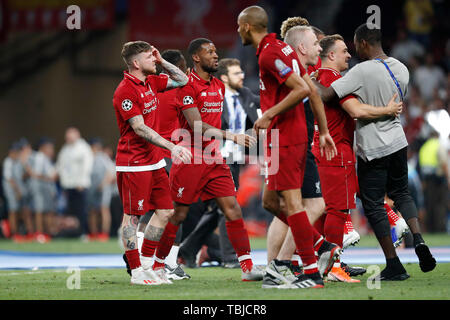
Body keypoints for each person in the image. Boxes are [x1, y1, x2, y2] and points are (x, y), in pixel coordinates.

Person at [317, 23, 436, 280]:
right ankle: (418, 238)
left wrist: (306, 78)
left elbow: (329, 96)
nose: (351, 52)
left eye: (353, 46)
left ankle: (393, 264)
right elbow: (396, 100)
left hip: (372, 146)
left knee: (372, 205)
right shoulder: (402, 68)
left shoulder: (359, 72)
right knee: (402, 193)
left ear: (362, 43)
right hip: (398, 141)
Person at [237, 6, 338, 289]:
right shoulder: (278, 49)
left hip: (287, 136)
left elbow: (302, 90)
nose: (237, 32)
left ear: (246, 27)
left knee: (294, 204)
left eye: (238, 27)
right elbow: (310, 89)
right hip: (281, 138)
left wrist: (268, 114)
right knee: (270, 201)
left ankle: (309, 272)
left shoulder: (271, 53)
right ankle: (319, 246)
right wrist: (325, 131)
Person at [166, 37, 265, 282]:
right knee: (178, 214)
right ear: (196, 58)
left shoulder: (218, 87)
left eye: (215, 51)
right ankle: (160, 264)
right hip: (190, 157)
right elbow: (197, 127)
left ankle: (247, 267)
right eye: (209, 52)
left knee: (232, 209)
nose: (215, 55)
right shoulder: (187, 86)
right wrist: (231, 136)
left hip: (214, 158)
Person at [312, 33, 406, 282]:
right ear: (331, 55)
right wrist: (388, 110)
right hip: (336, 150)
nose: (349, 54)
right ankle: (332, 266)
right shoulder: (332, 79)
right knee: (337, 210)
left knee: (332, 207)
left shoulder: (321, 79)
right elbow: (356, 110)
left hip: (328, 149)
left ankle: (324, 261)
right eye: (343, 51)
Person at [112, 40, 192, 285]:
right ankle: (136, 271)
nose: (154, 61)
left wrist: (162, 60)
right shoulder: (126, 90)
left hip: (154, 161)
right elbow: (139, 128)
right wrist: (172, 146)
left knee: (166, 211)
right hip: (133, 163)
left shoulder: (151, 82)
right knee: (132, 218)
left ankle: (148, 265)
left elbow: (183, 80)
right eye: (150, 58)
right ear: (136, 63)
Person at [265, 16, 328, 278]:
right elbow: (307, 94)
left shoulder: (295, 72)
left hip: (282, 143)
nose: (319, 48)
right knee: (310, 205)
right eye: (316, 43)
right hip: (290, 144)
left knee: (275, 203)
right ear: (301, 47)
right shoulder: (289, 74)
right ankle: (286, 262)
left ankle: (278, 266)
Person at [56, 127, 94, 239]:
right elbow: (60, 164)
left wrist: (81, 182)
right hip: (68, 185)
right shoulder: (65, 149)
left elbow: (87, 165)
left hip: (80, 185)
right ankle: (73, 233)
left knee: (81, 210)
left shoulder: (83, 148)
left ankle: (83, 232)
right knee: (70, 211)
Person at [29, 137, 58, 243]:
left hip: (47, 188)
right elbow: (35, 173)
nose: (51, 150)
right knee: (39, 211)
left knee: (47, 211)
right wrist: (49, 178)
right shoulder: (39, 157)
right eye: (49, 148)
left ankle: (45, 233)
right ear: (43, 147)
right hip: (40, 188)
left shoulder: (46, 158)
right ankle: (39, 233)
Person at [87, 138, 114, 242]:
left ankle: (104, 233)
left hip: (104, 188)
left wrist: (103, 184)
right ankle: (93, 233)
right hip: (92, 188)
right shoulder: (88, 158)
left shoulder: (103, 157)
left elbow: (111, 172)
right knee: (92, 210)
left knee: (104, 209)